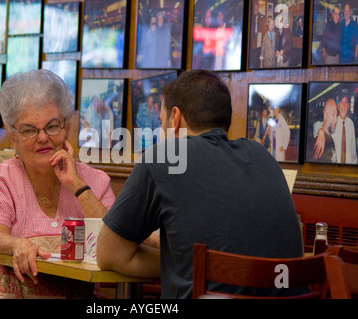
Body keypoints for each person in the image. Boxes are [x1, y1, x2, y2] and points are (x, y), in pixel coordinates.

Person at [97, 70, 305, 299]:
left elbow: (108, 254)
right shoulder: (264, 156)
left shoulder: (166, 156)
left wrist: (189, 267)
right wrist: (192, 265)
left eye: (161, 122)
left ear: (175, 118)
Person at [0, 69, 115, 299]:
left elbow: (116, 242)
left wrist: (76, 186)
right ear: (14, 137)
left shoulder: (96, 181)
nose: (42, 138)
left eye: (52, 127)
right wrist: (16, 245)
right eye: (30, 130)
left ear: (67, 129)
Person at [314, 91, 357, 164]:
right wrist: (320, 130)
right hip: (336, 165)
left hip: (349, 166)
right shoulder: (333, 122)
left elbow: (353, 149)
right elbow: (317, 124)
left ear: (348, 105)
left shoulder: (351, 124)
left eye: (346, 102)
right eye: (341, 102)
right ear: (337, 105)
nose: (344, 106)